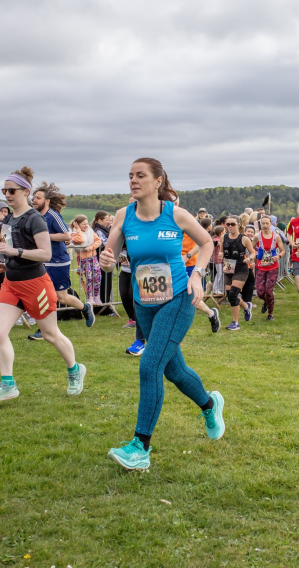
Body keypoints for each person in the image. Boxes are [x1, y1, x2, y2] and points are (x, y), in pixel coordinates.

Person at [100, 157, 224, 472]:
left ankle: (140, 447)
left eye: (140, 175)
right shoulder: (123, 215)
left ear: (158, 181)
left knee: (150, 366)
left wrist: (197, 275)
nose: (133, 180)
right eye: (130, 175)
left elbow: (207, 243)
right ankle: (210, 404)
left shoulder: (175, 214)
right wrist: (105, 261)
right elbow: (108, 257)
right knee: (174, 370)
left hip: (178, 298)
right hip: (144, 302)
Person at [0, 167, 86, 402]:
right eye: (4, 190)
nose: (7, 194)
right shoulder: (8, 219)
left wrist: (14, 252)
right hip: (11, 283)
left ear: (26, 191)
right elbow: (12, 249)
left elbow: (45, 253)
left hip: (35, 285)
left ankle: (75, 370)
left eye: (12, 190)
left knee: (50, 334)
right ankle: (8, 385)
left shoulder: (35, 219)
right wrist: (6, 264)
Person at [29, 182, 95, 340]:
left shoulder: (53, 215)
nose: (34, 200)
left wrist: (43, 236)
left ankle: (85, 308)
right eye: (34, 197)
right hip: (43, 261)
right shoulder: (36, 216)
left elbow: (66, 235)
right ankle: (44, 329)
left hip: (58, 262)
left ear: (47, 201)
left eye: (38, 198)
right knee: (42, 295)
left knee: (62, 297)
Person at [181, 229, 222, 333]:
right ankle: (211, 313)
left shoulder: (186, 221)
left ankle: (211, 313)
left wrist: (187, 256)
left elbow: (203, 242)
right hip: (170, 266)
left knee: (190, 295)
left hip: (190, 265)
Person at [220, 216, 255, 331]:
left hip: (241, 269)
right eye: (228, 224)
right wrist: (220, 255)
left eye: (232, 224)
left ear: (239, 224)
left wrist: (249, 259)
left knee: (233, 294)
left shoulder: (244, 239)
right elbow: (221, 251)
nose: (230, 226)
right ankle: (246, 306)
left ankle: (235, 323)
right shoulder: (224, 237)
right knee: (230, 295)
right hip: (228, 268)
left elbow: (253, 252)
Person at [254, 214, 285, 320]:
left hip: (272, 267)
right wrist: (253, 256)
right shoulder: (257, 236)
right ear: (260, 224)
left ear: (271, 224)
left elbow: (283, 250)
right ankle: (267, 302)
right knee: (260, 292)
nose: (265, 225)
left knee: (268, 291)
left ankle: (270, 314)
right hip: (260, 266)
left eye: (267, 223)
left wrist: (278, 256)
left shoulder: (276, 236)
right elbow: (251, 248)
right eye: (263, 223)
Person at [70, 214, 102, 305]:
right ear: (77, 224)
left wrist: (91, 247)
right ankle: (89, 297)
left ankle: (96, 296)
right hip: (83, 258)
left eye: (87, 223)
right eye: (83, 224)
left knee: (97, 276)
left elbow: (98, 241)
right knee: (89, 278)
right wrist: (77, 229)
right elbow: (80, 240)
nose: (86, 225)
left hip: (93, 256)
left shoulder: (90, 231)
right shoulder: (74, 233)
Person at [92, 211, 114, 306]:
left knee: (107, 283)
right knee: (103, 283)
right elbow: (106, 243)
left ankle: (106, 303)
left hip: (105, 260)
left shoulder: (105, 230)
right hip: (100, 260)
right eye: (106, 220)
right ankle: (102, 305)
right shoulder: (98, 231)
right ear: (99, 220)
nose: (108, 222)